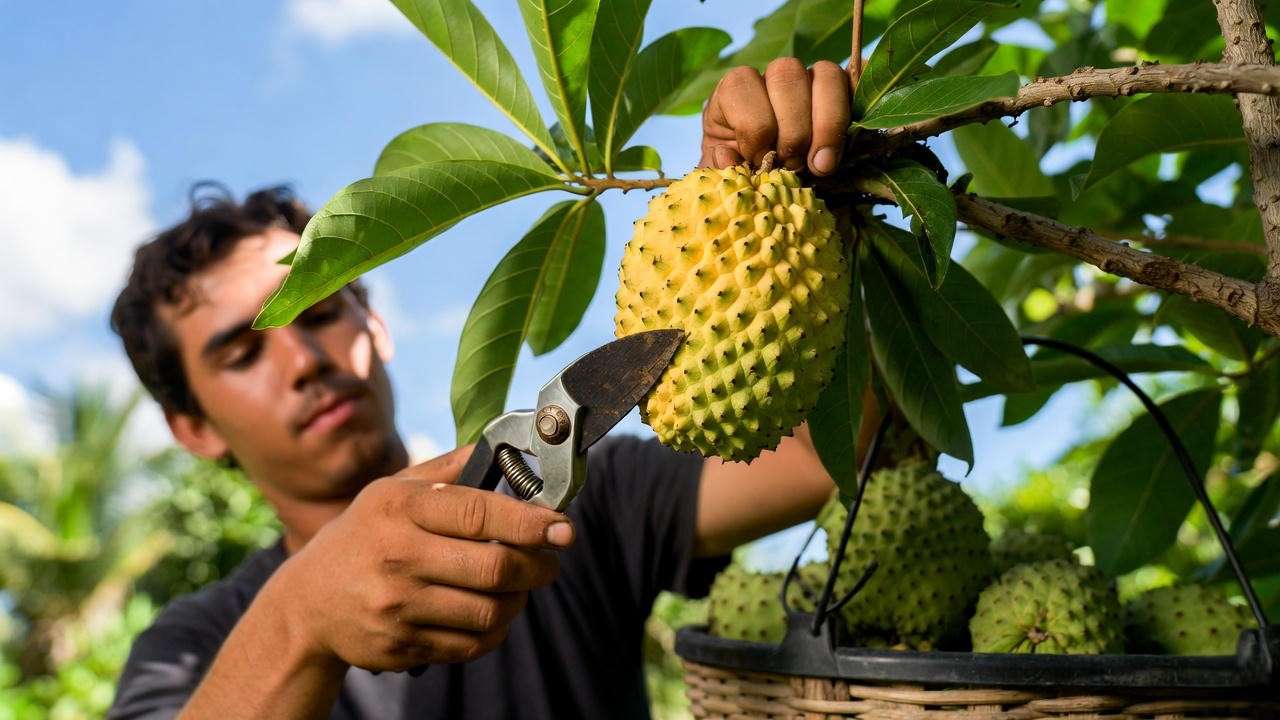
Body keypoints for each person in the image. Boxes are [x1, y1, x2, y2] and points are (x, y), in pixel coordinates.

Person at [107, 59, 865, 720]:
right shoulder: (195, 644)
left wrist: (786, 225)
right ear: (192, 428)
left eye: (323, 311)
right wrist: (299, 623)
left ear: (378, 326)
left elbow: (816, 458)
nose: (304, 359)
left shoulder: (585, 498)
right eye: (243, 354)